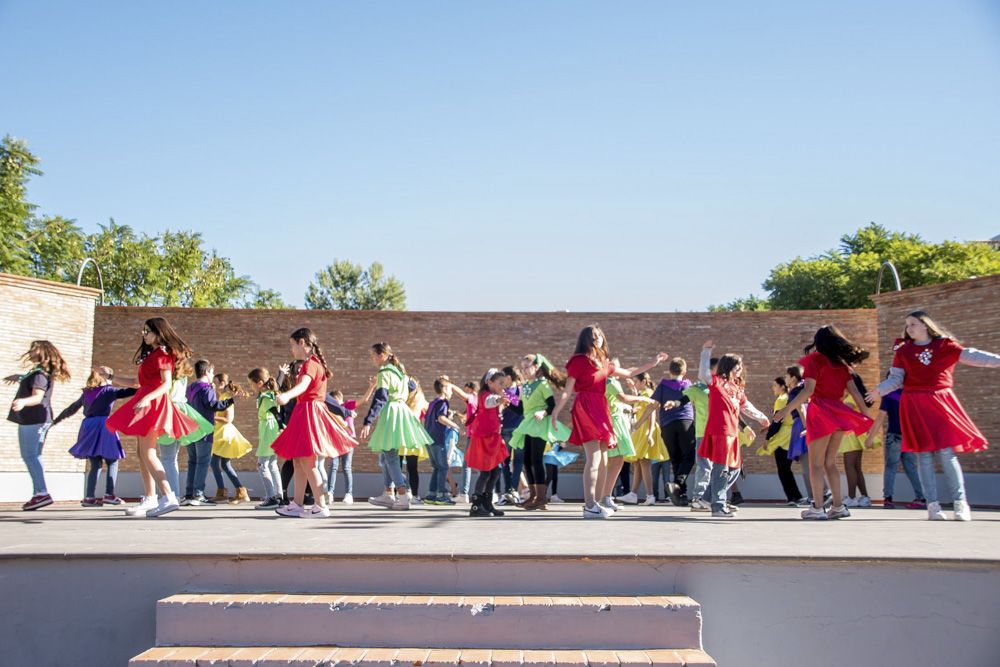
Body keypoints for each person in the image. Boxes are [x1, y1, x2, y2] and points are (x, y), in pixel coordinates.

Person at [869, 311, 1000, 521]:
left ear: (925, 325)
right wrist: (879, 390)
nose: (908, 328)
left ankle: (960, 504)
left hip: (940, 403)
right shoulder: (904, 351)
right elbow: (896, 379)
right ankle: (933, 506)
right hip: (914, 405)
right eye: (907, 325)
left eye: (913, 324)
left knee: (947, 454)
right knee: (924, 456)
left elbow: (973, 356)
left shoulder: (945, 346)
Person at [551, 325, 667, 519]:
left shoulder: (605, 362)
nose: (597, 339)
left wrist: (653, 363)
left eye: (599, 336)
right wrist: (556, 412)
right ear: (586, 340)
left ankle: (596, 502)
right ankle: (589, 505)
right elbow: (567, 390)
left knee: (604, 457)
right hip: (585, 406)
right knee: (594, 457)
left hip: (601, 408)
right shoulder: (578, 361)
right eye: (593, 336)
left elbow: (630, 373)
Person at [776, 325, 874, 520]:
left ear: (818, 341)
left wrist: (786, 409)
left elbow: (808, 391)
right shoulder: (843, 365)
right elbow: (855, 393)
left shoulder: (814, 361)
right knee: (830, 462)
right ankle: (838, 506)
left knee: (816, 465)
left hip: (820, 412)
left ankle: (818, 508)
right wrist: (868, 419)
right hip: (838, 413)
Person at [105, 317, 199, 517]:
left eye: (147, 330)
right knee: (142, 453)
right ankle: (150, 498)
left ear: (159, 333)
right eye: (144, 330)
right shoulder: (152, 355)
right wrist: (110, 377)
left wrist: (148, 398)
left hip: (154, 404)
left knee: (148, 453)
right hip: (146, 401)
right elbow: (135, 382)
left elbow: (166, 384)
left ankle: (168, 496)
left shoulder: (163, 354)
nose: (144, 334)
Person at [271, 328, 357, 518]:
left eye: (292, 345)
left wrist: (286, 395)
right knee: (298, 462)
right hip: (305, 412)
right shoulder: (313, 364)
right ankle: (297, 504)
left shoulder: (311, 364)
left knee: (308, 463)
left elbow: (303, 386)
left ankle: (320, 505)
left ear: (302, 343)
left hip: (309, 413)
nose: (291, 350)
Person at [696, 342, 769, 518]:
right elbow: (703, 374)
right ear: (729, 366)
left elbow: (746, 407)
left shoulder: (737, 388)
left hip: (733, 433)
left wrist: (761, 417)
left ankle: (707, 498)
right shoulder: (716, 382)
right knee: (721, 468)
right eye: (738, 366)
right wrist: (706, 352)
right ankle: (718, 506)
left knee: (735, 468)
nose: (740, 369)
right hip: (720, 430)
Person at [360, 342, 432, 511]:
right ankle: (388, 493)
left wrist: (368, 420)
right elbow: (412, 385)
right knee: (386, 456)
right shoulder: (400, 371)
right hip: (401, 410)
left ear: (382, 355)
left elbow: (381, 397)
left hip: (391, 412)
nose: (373, 359)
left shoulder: (385, 371)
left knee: (390, 456)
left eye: (373, 355)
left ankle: (402, 494)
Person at [51, 366, 136, 506]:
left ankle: (89, 497)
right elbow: (131, 391)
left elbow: (72, 408)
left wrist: (56, 421)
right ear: (106, 377)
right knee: (112, 460)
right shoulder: (109, 391)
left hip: (88, 426)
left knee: (95, 464)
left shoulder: (86, 393)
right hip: (104, 425)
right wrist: (147, 385)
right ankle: (110, 494)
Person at [5, 340, 72, 511]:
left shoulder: (39, 375)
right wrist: (20, 377)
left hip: (34, 419)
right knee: (33, 456)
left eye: (34, 349)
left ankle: (41, 493)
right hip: (37, 419)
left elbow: (38, 397)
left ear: (42, 352)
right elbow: (35, 382)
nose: (30, 351)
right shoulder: (39, 373)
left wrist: (22, 402)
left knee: (30, 456)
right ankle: (38, 493)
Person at [867, 376, 925, 509]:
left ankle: (888, 499)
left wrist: (870, 437)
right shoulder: (910, 395)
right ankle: (921, 498)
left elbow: (880, 418)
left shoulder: (889, 395)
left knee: (891, 468)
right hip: (908, 437)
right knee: (911, 468)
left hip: (894, 436)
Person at [466, 369, 511, 517]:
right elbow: (488, 402)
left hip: (493, 438)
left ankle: (487, 503)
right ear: (489, 382)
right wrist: (499, 400)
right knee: (485, 472)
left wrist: (502, 404)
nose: (502, 386)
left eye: (503, 384)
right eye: (500, 383)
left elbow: (494, 409)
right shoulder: (484, 395)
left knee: (496, 471)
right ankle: (476, 506)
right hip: (484, 438)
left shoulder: (495, 396)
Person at [758, 377, 803, 506]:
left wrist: (768, 438)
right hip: (791, 435)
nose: (773, 388)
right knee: (786, 469)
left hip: (782, 439)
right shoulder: (788, 398)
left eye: (774, 385)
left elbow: (778, 421)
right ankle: (796, 496)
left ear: (781, 387)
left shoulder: (781, 400)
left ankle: (793, 497)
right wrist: (768, 428)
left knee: (783, 469)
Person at [247, 367, 283, 509]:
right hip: (272, 431)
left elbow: (276, 412)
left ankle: (271, 497)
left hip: (269, 432)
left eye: (251, 383)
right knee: (272, 464)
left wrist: (281, 425)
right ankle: (279, 496)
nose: (251, 386)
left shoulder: (267, 396)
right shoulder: (268, 394)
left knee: (262, 465)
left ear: (260, 383)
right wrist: (281, 373)